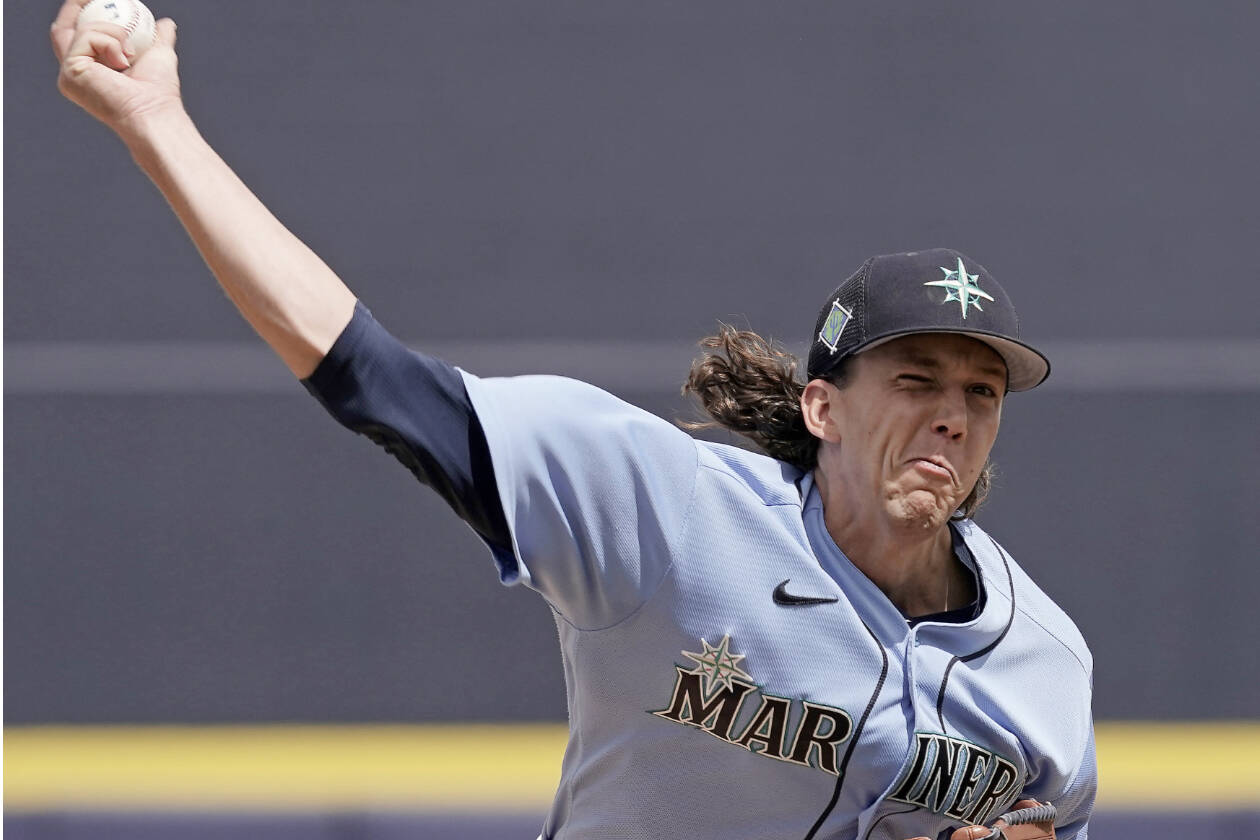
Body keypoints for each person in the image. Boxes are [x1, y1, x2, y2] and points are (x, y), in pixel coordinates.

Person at [52, 5, 1096, 839]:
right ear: (822, 405)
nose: (952, 415)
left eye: (981, 392)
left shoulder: (1044, 661)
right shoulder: (668, 516)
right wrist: (159, 127)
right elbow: (370, 374)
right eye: (916, 379)